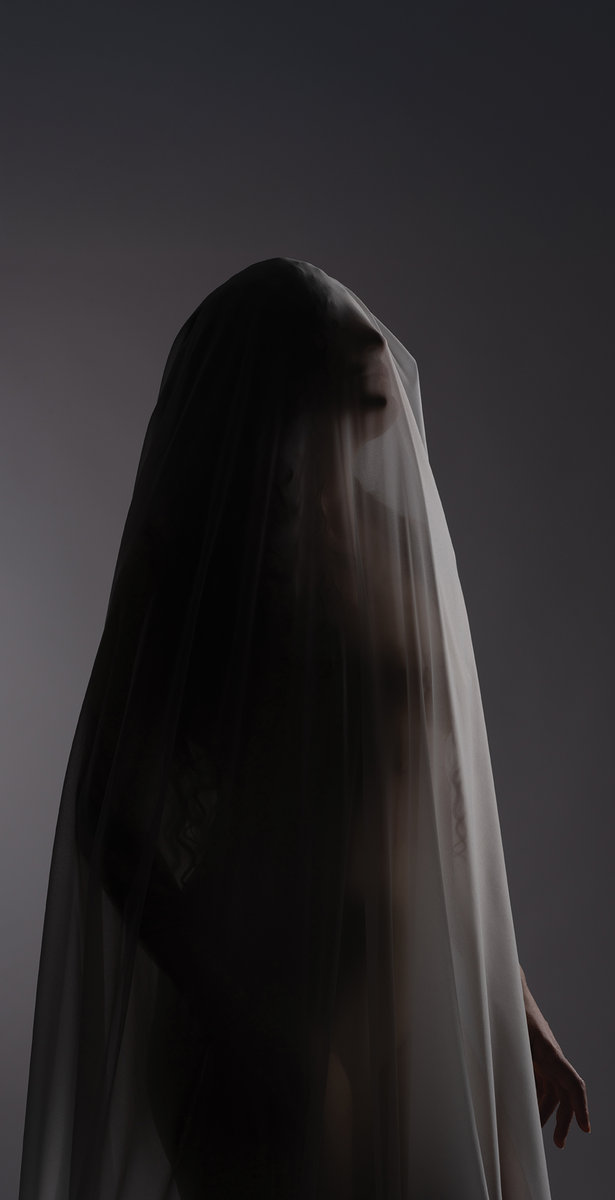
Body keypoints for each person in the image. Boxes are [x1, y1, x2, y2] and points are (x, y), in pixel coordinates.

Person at [18, 257, 590, 1200]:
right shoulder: (203, 575)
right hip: (257, 1042)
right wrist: (229, 1000)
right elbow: (103, 813)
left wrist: (514, 1004)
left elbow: (450, 822)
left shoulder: (395, 552)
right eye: (342, 369)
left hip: (403, 1023)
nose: (379, 378)